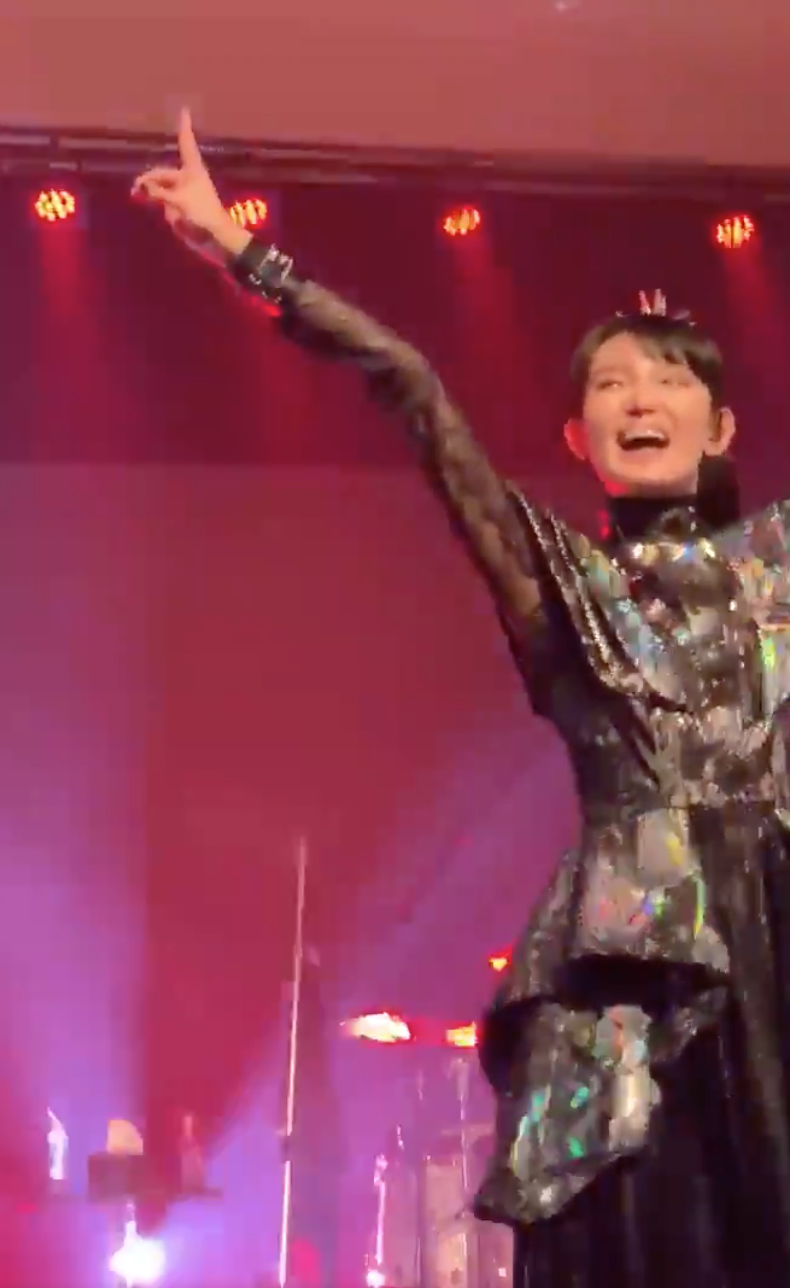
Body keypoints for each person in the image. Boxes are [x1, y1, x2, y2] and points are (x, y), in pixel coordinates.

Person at [133, 112, 790, 1287]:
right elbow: (414, 390)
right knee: (634, 1234)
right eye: (610, 382)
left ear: (721, 425)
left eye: (668, 378)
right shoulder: (559, 579)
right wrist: (246, 253)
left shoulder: (777, 565)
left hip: (776, 934)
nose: (639, 396)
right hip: (627, 960)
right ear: (576, 434)